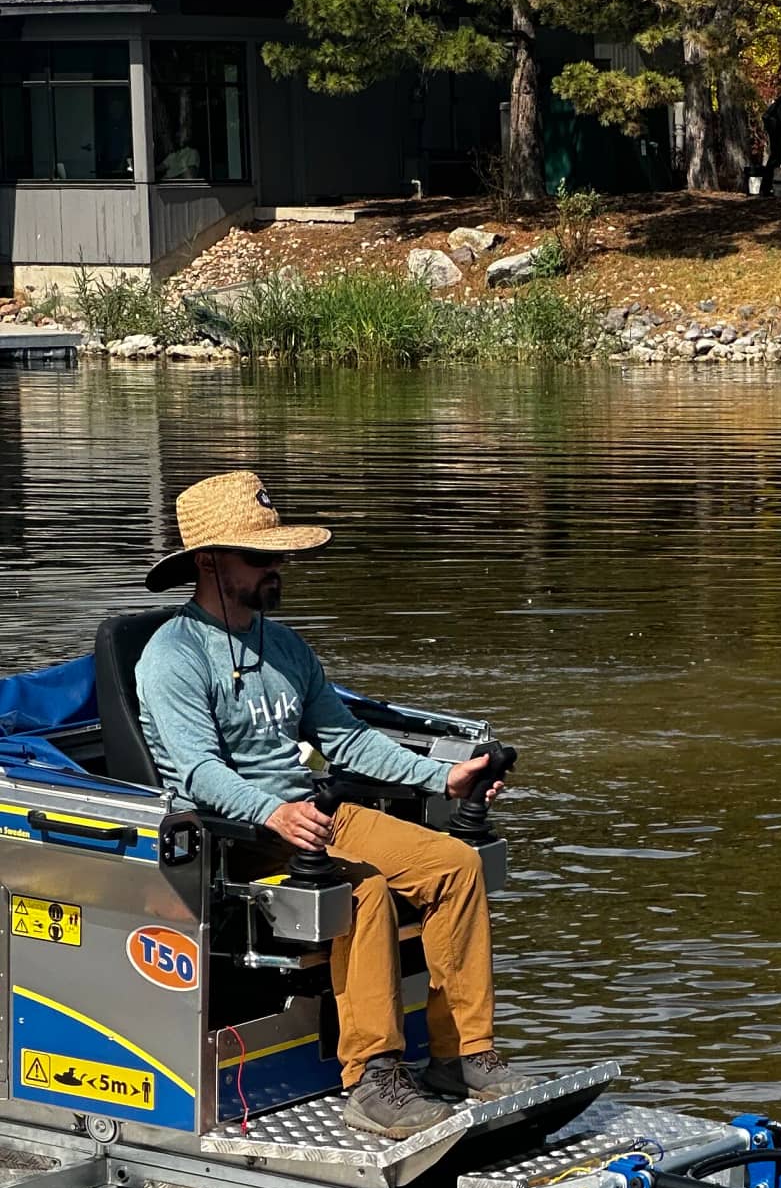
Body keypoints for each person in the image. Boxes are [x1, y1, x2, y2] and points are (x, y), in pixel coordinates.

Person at [135, 469, 520, 1141]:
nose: (278, 568)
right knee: (362, 891)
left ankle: (461, 1055)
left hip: (313, 814)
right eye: (261, 557)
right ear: (209, 563)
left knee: (454, 864)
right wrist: (274, 815)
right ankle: (372, 1079)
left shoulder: (284, 646)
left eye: (280, 555)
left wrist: (445, 779)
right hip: (235, 832)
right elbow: (197, 770)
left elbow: (345, 741)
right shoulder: (172, 654)